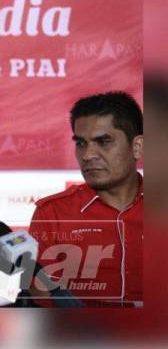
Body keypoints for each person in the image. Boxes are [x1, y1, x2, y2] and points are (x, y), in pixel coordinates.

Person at [29, 91, 143, 306]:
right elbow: (42, 301)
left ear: (137, 147)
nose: (88, 155)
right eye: (81, 143)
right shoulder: (52, 213)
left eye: (104, 141)